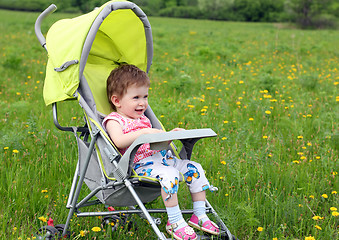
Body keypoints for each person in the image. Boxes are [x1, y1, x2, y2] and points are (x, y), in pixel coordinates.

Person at [103, 64, 220, 240]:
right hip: (138, 165)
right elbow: (118, 141)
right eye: (136, 97)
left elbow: (155, 143)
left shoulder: (143, 119)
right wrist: (143, 133)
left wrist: (170, 136)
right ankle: (174, 221)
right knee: (170, 174)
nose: (142, 103)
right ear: (117, 101)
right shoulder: (114, 120)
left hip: (162, 158)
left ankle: (199, 215)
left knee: (194, 168)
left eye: (145, 96)